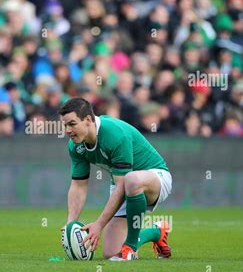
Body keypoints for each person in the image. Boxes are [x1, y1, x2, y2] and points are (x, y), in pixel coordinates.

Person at [59, 97, 172, 261]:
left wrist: (98, 224)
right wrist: (70, 223)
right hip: (124, 184)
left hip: (156, 177)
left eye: (72, 124)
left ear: (88, 120)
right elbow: (78, 185)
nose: (67, 130)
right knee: (110, 253)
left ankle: (130, 248)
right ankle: (157, 232)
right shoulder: (75, 146)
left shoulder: (115, 134)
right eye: (65, 125)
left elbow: (122, 184)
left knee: (132, 180)